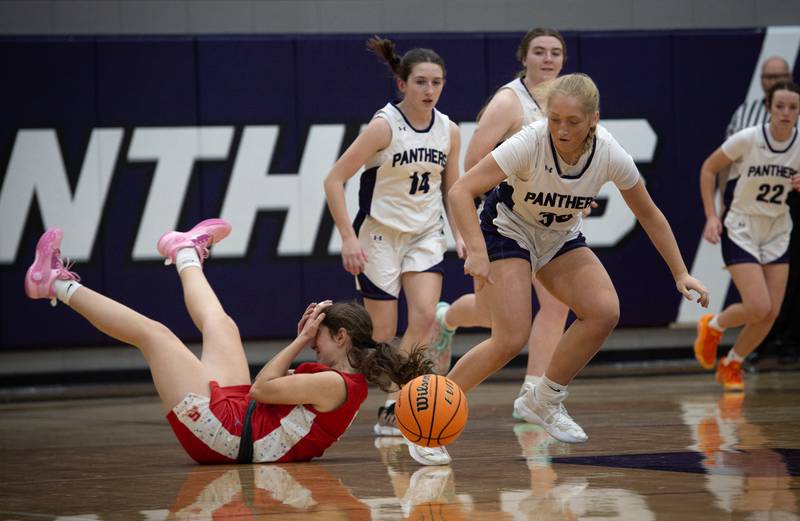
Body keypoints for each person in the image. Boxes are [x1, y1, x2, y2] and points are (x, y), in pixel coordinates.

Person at [23, 218, 432, 464]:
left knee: (155, 335)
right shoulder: (339, 379)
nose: (313, 343)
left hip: (226, 438)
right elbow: (267, 396)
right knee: (223, 326)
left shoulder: (335, 384)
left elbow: (261, 388)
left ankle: (53, 284)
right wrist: (302, 340)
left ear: (341, 337)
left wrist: (296, 342)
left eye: (318, 337)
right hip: (241, 421)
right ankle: (185, 252)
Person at [445, 73, 709, 446]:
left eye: (572, 121)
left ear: (593, 119)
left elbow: (649, 214)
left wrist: (680, 273)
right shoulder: (530, 141)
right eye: (555, 119)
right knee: (510, 337)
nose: (562, 129)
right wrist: (475, 250)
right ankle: (434, 410)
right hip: (508, 229)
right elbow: (460, 190)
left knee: (604, 310)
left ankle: (543, 399)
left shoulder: (609, 152)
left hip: (558, 236)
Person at [324, 36, 462, 446]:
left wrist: (463, 236)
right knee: (382, 332)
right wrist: (348, 237)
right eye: (420, 82)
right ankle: (335, 380)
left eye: (436, 82)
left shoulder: (449, 130)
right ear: (402, 84)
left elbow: (453, 188)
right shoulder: (384, 126)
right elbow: (333, 179)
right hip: (380, 236)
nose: (429, 90)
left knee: (423, 318)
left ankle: (396, 401)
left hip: (425, 234)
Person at [429, 28, 573, 414]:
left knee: (557, 304)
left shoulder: (567, 99)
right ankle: (446, 318)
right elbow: (473, 161)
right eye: (539, 51)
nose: (548, 59)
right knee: (492, 316)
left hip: (548, 219)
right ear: (524, 58)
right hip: (504, 218)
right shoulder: (509, 102)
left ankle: (532, 395)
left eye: (555, 52)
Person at [694, 81, 800, 391]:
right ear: (768, 108)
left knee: (771, 313)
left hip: (777, 228)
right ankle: (713, 325)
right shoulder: (748, 138)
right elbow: (708, 168)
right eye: (779, 106)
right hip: (741, 226)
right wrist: (711, 216)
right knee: (757, 306)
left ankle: (732, 362)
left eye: (793, 107)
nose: (785, 112)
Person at [726, 57, 792, 137]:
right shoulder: (744, 111)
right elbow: (729, 142)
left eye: (778, 77)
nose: (773, 82)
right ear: (761, 79)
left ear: (789, 77)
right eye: (768, 77)